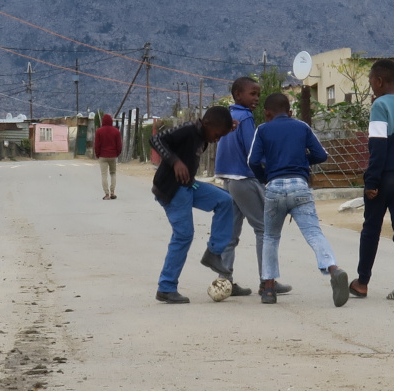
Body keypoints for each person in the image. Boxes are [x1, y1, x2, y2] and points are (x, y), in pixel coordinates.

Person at [247, 91, 351, 306]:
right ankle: (334, 268)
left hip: (274, 187)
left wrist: (265, 178)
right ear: (290, 112)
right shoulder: (302, 127)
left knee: (271, 237)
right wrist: (303, 162)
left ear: (267, 113)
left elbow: (253, 160)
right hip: (299, 186)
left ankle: (268, 289)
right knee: (314, 232)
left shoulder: (263, 129)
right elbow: (322, 155)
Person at [149, 106, 237, 304]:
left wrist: (227, 127)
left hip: (189, 185)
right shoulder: (189, 129)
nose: (217, 139)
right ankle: (166, 287)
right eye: (217, 134)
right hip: (172, 189)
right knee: (183, 235)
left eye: (222, 136)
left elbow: (217, 129)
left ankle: (213, 253)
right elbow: (155, 139)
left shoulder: (204, 134)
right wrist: (175, 161)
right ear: (206, 124)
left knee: (225, 201)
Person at [350, 59, 394, 300]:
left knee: (371, 229)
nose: (371, 85)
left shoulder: (380, 106)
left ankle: (362, 282)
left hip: (385, 176)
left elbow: (378, 147)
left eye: (371, 81)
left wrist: (371, 181)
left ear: (379, 81)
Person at [213, 76, 286, 298]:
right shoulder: (245, 118)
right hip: (244, 179)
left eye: (258, 94)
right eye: (252, 94)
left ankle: (224, 281)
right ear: (238, 95)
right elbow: (253, 151)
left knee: (230, 233)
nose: (256, 98)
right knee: (264, 228)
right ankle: (267, 280)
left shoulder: (228, 115)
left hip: (227, 179)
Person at [93, 112, 123, 199]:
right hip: (113, 156)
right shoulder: (116, 131)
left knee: (104, 175)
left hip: (102, 156)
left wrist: (98, 155)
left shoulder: (99, 131)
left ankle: (106, 194)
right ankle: (113, 192)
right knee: (113, 173)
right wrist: (117, 153)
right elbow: (119, 146)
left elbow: (97, 145)